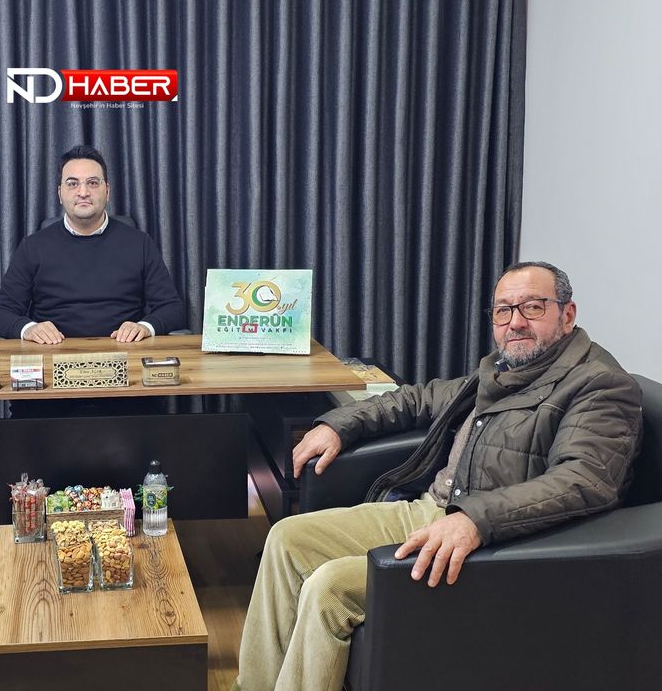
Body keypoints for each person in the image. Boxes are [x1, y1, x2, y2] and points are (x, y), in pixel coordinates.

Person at [236, 261, 643, 691]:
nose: (515, 322)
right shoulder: (502, 369)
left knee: (330, 587)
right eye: (503, 310)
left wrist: (474, 520)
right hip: (435, 510)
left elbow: (583, 480)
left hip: (498, 541)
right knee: (287, 538)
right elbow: (418, 398)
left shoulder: (600, 384)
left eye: (533, 307)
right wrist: (339, 425)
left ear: (567, 314)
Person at [0, 145, 186, 344]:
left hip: (124, 351)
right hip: (54, 352)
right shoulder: (33, 247)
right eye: (73, 184)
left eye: (92, 183)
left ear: (107, 191)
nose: (83, 192)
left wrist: (144, 327)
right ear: (60, 194)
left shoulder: (140, 243)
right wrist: (29, 329)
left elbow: (173, 309)